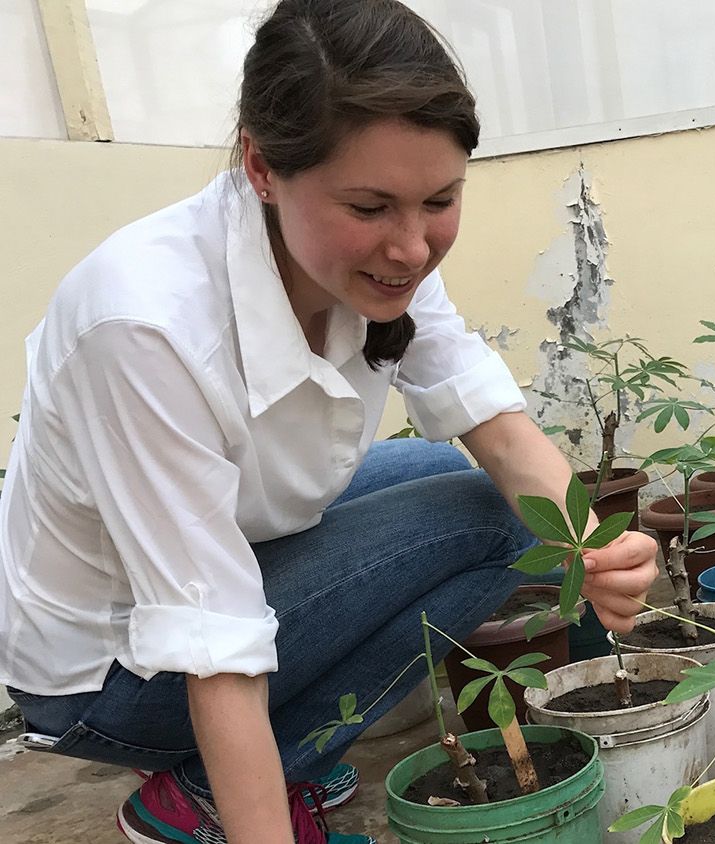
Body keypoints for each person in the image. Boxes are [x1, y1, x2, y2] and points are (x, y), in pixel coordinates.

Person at [0, 1, 659, 842]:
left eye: (441, 200)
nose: (413, 247)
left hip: (221, 552)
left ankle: (275, 747)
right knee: (490, 523)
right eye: (372, 207)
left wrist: (597, 552)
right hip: (105, 675)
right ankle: (204, 792)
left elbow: (490, 420)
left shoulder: (379, 259)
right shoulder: (145, 326)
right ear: (262, 165)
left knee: (484, 494)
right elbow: (216, 637)